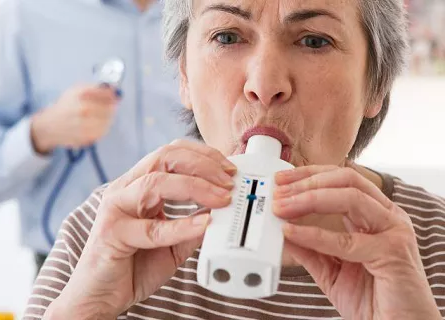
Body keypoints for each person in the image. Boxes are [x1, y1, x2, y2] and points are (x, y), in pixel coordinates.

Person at [24, 0, 445, 319]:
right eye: (227, 36)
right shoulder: (105, 234)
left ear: (377, 84)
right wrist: (88, 307)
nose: (264, 85)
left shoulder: (431, 249)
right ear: (184, 76)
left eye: (314, 41)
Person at [0, 0, 185, 272]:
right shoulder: (22, 16)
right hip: (72, 272)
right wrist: (41, 132)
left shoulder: (210, 10)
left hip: (195, 265)